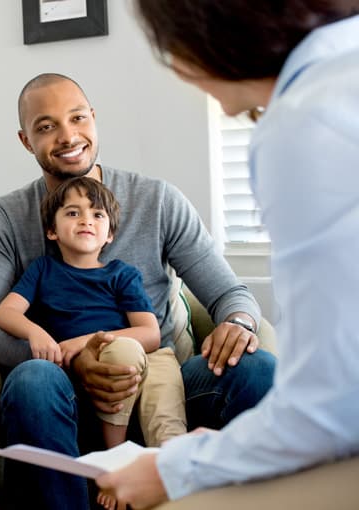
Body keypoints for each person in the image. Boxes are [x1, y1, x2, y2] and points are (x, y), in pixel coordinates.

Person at [0, 71, 276, 509]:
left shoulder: (157, 200)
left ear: (94, 119)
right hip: (59, 390)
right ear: (26, 140)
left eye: (78, 118)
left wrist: (238, 323)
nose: (68, 136)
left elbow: (229, 294)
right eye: (46, 126)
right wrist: (71, 357)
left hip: (156, 378)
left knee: (256, 368)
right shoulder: (4, 218)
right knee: (33, 379)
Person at [96, 2, 359, 508]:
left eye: (170, 46)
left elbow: (328, 405)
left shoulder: (304, 121)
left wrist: (179, 467)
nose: (174, 69)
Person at [0, 175, 178, 451]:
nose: (86, 220)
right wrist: (35, 332)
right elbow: (6, 313)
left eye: (97, 214)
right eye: (72, 212)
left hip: (121, 357)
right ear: (52, 230)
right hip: (70, 375)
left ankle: (116, 455)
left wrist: (83, 342)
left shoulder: (121, 274)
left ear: (110, 234)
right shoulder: (43, 269)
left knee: (125, 353)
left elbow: (150, 334)